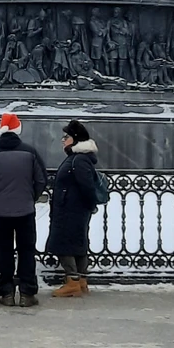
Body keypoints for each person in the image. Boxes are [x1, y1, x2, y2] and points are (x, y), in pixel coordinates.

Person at [0, 111, 47, 307]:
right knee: (26, 250)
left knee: (4, 251)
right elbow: (42, 180)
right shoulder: (30, 152)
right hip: (24, 210)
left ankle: (6, 292)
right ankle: (27, 292)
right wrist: (29, 197)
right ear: (17, 130)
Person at [46, 119, 101, 298]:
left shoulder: (78, 160)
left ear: (75, 139)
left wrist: (86, 204)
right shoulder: (77, 158)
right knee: (77, 243)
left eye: (66, 137)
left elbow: (87, 186)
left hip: (71, 210)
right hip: (73, 208)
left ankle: (72, 282)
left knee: (64, 244)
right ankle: (81, 281)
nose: (63, 140)